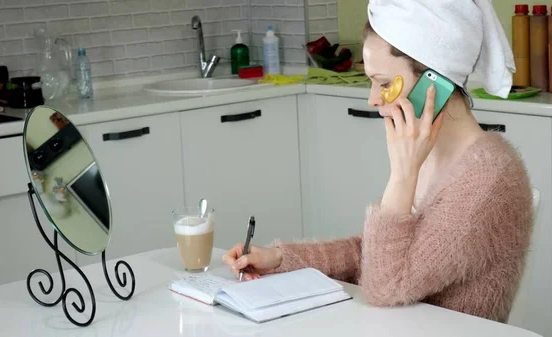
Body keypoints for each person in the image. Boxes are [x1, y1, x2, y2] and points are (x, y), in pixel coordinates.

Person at [223, 0, 534, 323]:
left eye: (384, 83)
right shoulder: (430, 153)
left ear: (434, 82)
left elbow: (385, 285)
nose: (372, 99)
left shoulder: (489, 177)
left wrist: (402, 175)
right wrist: (279, 258)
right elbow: (377, 254)